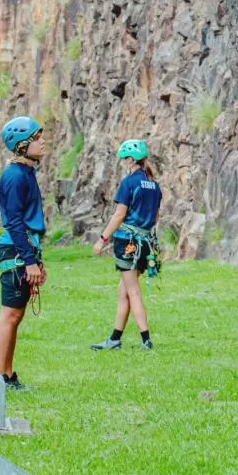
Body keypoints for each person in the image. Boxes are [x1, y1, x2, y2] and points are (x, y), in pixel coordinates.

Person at [90, 139, 162, 351]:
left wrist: (102, 239)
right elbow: (156, 216)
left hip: (128, 244)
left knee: (133, 292)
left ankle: (146, 339)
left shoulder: (129, 183)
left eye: (124, 159)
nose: (123, 163)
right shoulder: (155, 186)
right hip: (146, 244)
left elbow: (119, 214)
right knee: (123, 291)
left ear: (131, 160)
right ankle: (114, 339)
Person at [0, 116, 47, 391]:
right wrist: (28, 261)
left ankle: (8, 374)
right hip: (15, 249)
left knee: (16, 316)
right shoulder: (14, 176)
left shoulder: (26, 173)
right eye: (37, 138)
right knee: (9, 315)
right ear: (22, 144)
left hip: (25, 248)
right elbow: (13, 221)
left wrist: (36, 259)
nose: (43, 141)